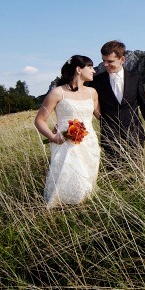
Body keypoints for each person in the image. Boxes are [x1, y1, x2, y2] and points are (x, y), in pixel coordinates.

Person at [34, 55, 100, 207]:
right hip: (66, 142)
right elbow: (39, 120)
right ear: (78, 69)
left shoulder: (92, 92)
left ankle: (83, 207)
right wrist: (52, 136)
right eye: (89, 67)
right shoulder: (57, 93)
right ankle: (66, 205)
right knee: (73, 175)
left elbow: (100, 116)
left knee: (88, 175)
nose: (93, 70)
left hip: (89, 141)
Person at [89, 40, 145, 167]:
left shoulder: (136, 78)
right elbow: (88, 105)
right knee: (115, 175)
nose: (105, 64)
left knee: (137, 171)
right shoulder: (96, 81)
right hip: (109, 136)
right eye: (103, 60)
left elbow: (144, 105)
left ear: (122, 59)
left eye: (110, 61)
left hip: (134, 133)